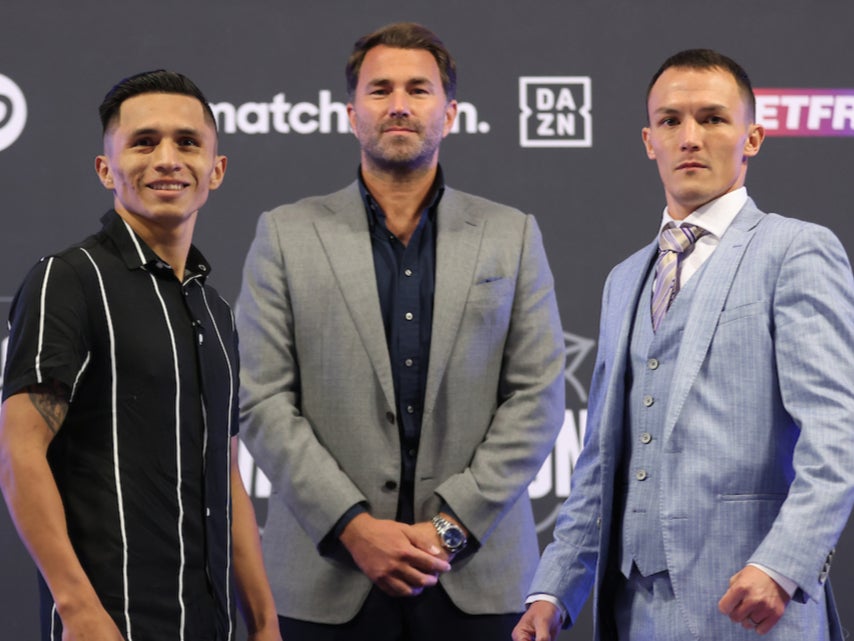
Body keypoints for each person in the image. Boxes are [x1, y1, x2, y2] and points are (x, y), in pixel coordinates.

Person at [236, 21, 566, 641]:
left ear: (450, 112)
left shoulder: (511, 233)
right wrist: (354, 528)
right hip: (326, 578)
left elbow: (539, 397)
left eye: (418, 89)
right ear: (351, 113)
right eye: (379, 89)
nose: (398, 105)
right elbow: (261, 398)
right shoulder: (285, 234)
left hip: (479, 576)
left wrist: (446, 531)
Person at [512, 49, 854, 641]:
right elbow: (601, 461)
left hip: (752, 613)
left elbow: (836, 435)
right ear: (649, 141)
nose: (689, 137)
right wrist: (554, 589)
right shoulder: (625, 278)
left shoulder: (796, 250)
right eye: (671, 121)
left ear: (753, 137)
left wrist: (782, 564)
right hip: (631, 615)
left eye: (713, 118)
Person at [0, 70, 281, 641]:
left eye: (188, 142)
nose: (168, 159)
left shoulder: (216, 309)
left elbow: (227, 477)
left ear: (216, 171)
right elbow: (19, 456)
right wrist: (79, 612)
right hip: (111, 625)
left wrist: (265, 622)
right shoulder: (69, 281)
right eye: (144, 142)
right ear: (106, 169)